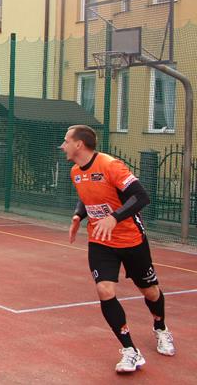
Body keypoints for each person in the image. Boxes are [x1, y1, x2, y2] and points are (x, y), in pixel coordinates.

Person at [61, 124, 175, 373]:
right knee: (104, 290)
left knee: (150, 292)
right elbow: (87, 196)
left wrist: (114, 218)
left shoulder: (111, 165)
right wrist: (78, 215)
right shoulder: (75, 172)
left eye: (66, 141)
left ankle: (161, 328)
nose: (63, 146)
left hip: (131, 240)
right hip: (100, 241)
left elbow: (141, 196)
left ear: (79, 144)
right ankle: (130, 350)